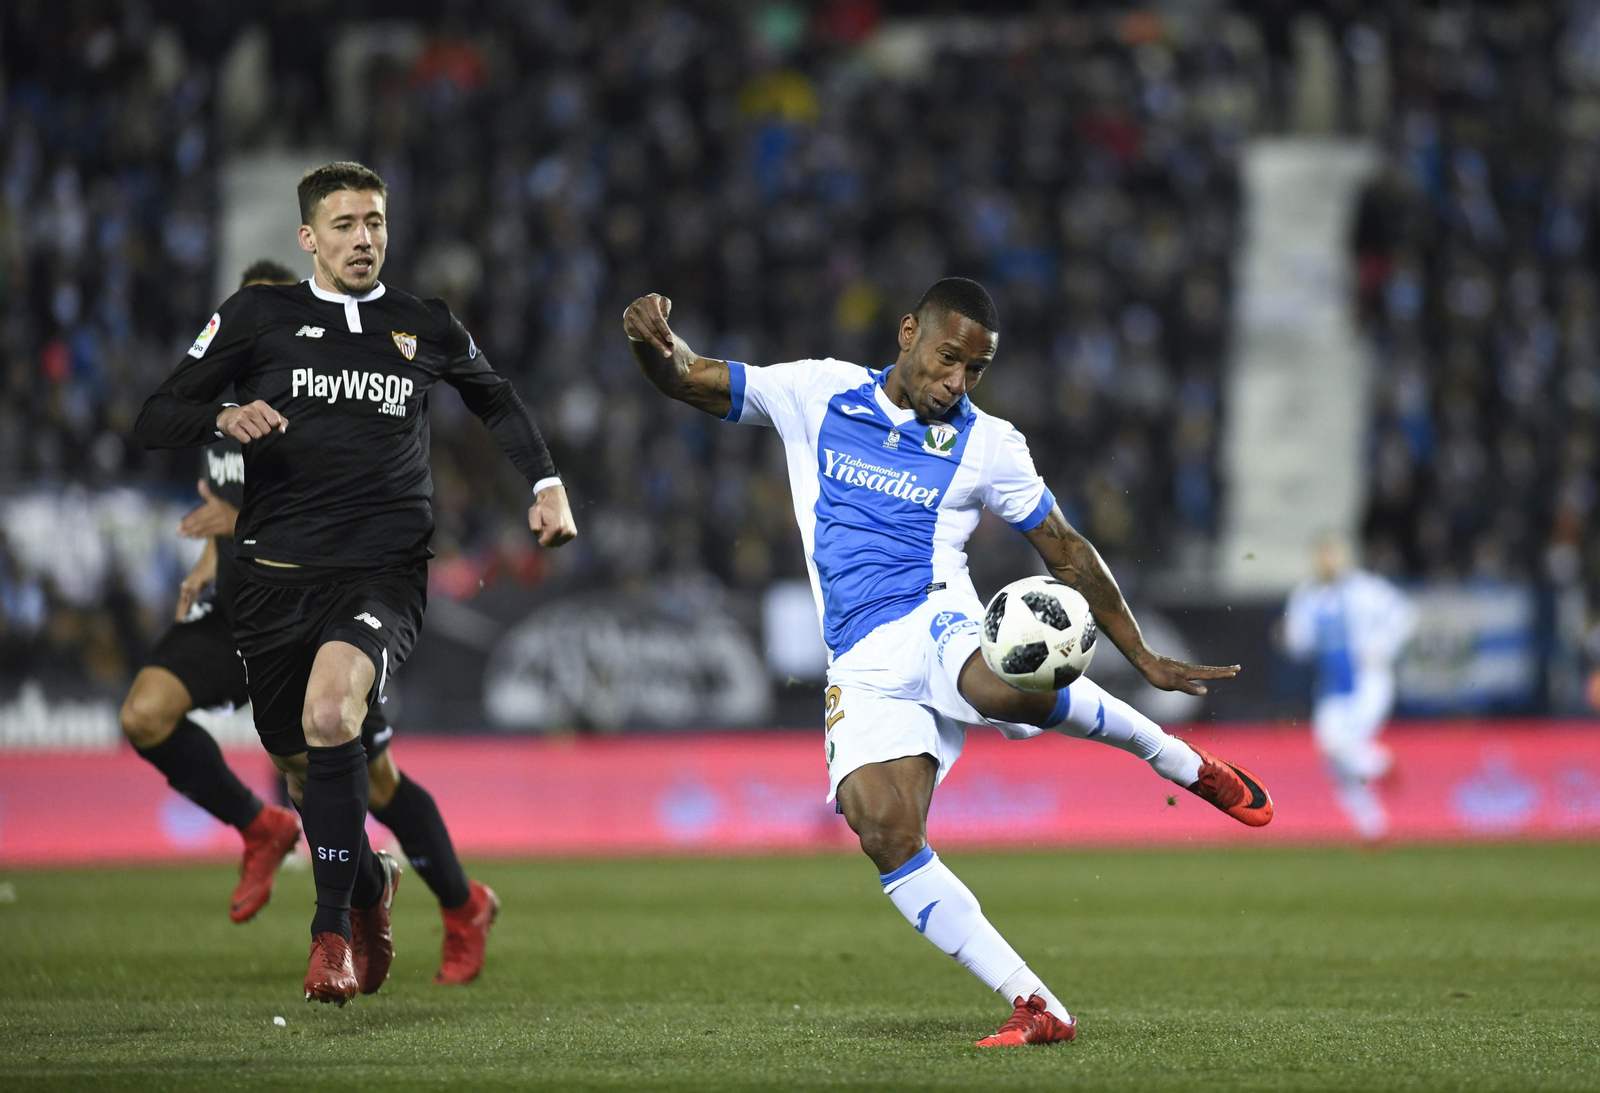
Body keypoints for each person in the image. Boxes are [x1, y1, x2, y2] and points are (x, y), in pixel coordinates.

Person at [623, 278, 1273, 1048]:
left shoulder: (990, 444)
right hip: (858, 659)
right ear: (908, 334)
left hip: (936, 612)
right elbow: (689, 377)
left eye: (976, 368)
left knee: (996, 684)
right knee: (885, 830)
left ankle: (1175, 757)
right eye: (948, 358)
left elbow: (1065, 548)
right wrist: (651, 343)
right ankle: (1039, 1004)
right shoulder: (818, 391)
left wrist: (1143, 657)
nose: (956, 380)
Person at [136, 162, 576, 1005]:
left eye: (373, 221)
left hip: (381, 574)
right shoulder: (258, 318)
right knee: (305, 764)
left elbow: (497, 398)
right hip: (270, 583)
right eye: (343, 225)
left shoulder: (422, 322)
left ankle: (331, 933)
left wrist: (545, 481)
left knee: (333, 710)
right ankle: (373, 897)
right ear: (309, 237)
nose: (363, 238)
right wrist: (221, 415)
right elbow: (156, 414)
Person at [1282, 533, 1415, 842]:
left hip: (1368, 681)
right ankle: (1373, 825)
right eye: (1323, 555)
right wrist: (1288, 640)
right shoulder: (1306, 596)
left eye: (1334, 554)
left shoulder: (1365, 589)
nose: (1329, 561)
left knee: (1341, 748)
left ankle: (1379, 764)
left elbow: (1404, 615)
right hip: (1331, 687)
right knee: (1332, 758)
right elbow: (1299, 643)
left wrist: (1382, 647)